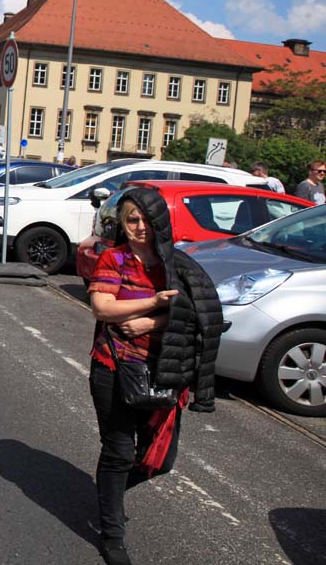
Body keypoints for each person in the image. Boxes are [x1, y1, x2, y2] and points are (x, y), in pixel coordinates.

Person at [87, 187, 223, 565]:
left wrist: (152, 320)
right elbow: (103, 307)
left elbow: (197, 316)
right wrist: (154, 300)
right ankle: (112, 535)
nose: (140, 227)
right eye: (132, 220)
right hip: (114, 369)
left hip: (166, 370)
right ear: (123, 224)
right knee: (118, 452)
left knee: (160, 460)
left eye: (147, 220)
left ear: (160, 221)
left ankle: (108, 494)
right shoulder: (114, 258)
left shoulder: (177, 265)